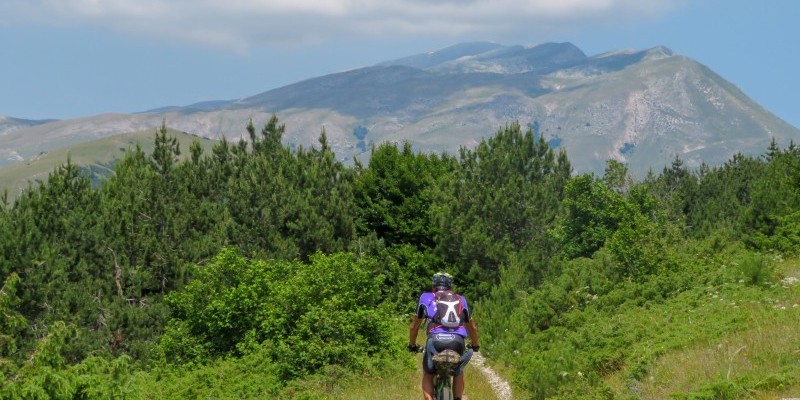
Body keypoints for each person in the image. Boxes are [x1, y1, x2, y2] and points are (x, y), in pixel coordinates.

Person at [408, 272, 480, 400]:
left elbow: (414, 326)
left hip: (435, 340)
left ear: (433, 286)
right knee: (458, 370)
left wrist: (412, 344)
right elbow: (472, 327)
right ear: (450, 287)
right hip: (457, 341)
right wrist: (475, 345)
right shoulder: (461, 299)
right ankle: (457, 398)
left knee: (428, 373)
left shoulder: (426, 297)